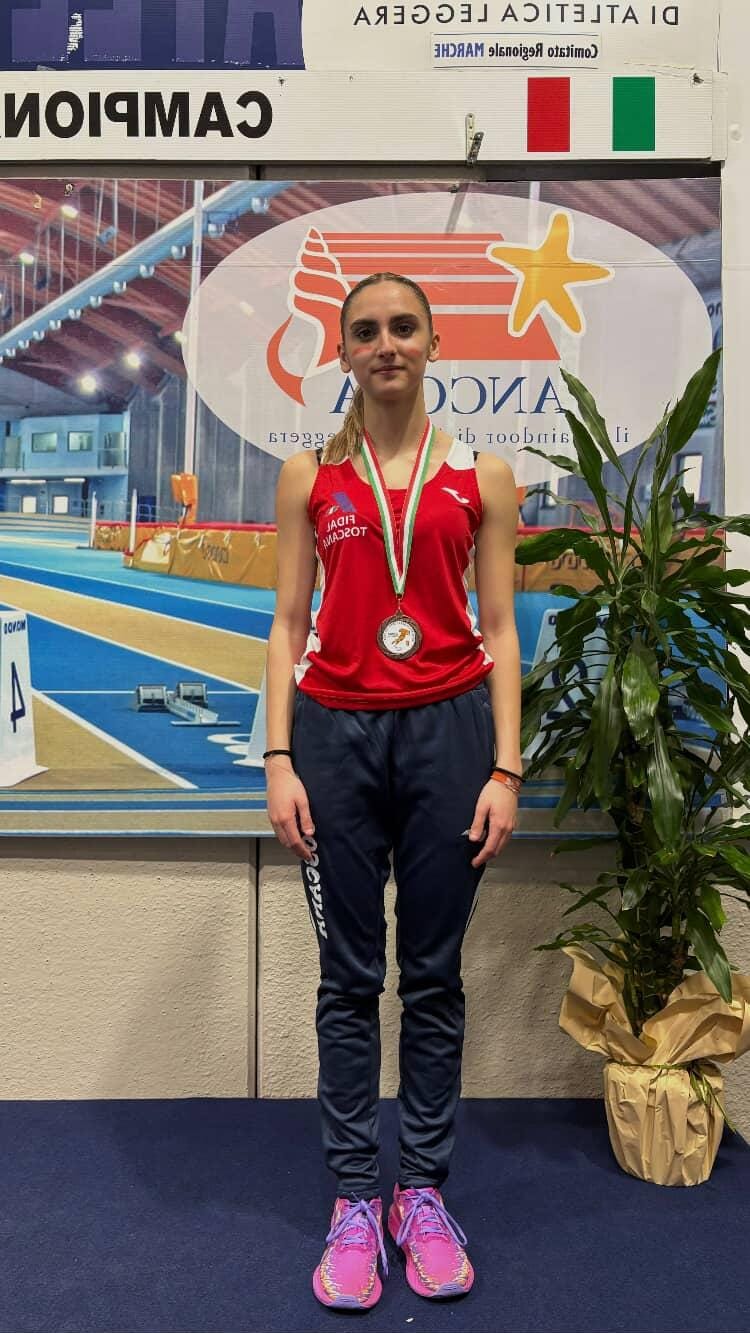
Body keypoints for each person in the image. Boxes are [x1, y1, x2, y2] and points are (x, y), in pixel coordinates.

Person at [265, 271, 522, 1310]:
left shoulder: (483, 475)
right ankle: (350, 1201)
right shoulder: (310, 475)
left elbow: (499, 629)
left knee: (432, 977)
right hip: (333, 735)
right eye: (366, 330)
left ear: (433, 341)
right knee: (346, 979)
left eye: (403, 327)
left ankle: (419, 1191)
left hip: (450, 734)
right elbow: (288, 623)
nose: (386, 344)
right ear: (343, 351)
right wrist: (278, 757)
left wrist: (506, 767)